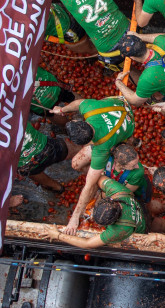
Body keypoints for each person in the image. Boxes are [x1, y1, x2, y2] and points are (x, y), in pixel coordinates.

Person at [53, 97, 135, 235]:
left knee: (92, 180)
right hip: (121, 106)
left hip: (127, 126)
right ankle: (101, 174)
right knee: (76, 164)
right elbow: (79, 103)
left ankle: (104, 175)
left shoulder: (101, 148)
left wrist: (75, 217)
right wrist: (61, 109)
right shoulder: (90, 110)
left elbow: (88, 186)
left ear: (88, 143)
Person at [41, 176, 149, 248]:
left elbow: (87, 244)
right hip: (138, 210)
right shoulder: (120, 192)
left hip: (139, 230)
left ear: (112, 223)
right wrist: (98, 193)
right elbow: (99, 178)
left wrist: (57, 235)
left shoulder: (119, 230)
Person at [18, 123, 80, 192]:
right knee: (69, 149)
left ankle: (57, 188)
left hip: (25, 162)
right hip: (42, 145)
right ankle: (89, 155)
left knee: (29, 170)